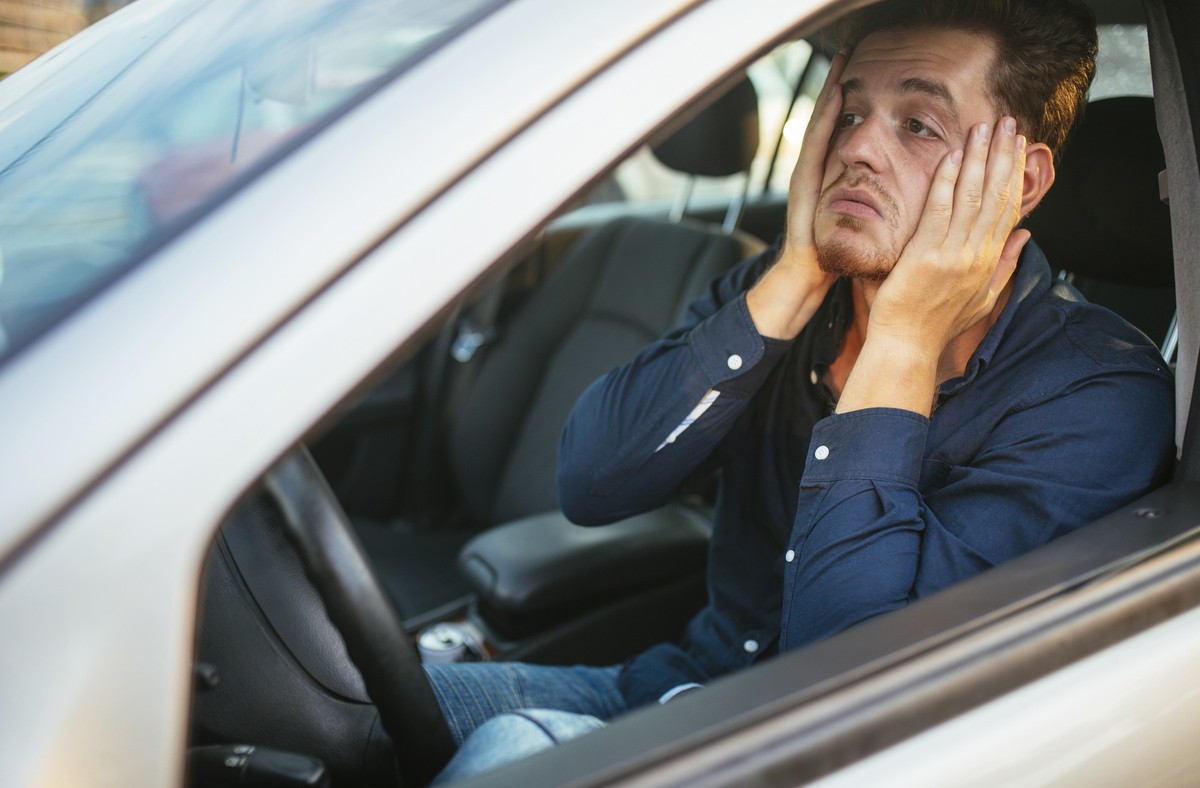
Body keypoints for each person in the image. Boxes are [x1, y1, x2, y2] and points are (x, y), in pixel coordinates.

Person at [426, 0, 1175, 779]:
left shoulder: (1098, 396)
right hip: (667, 693)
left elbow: (855, 690)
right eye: (849, 113)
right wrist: (793, 272)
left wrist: (904, 339)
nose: (858, 149)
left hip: (800, 754)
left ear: (1018, 181)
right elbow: (590, 482)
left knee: (508, 758)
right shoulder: (788, 291)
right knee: (333, 709)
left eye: (918, 125)